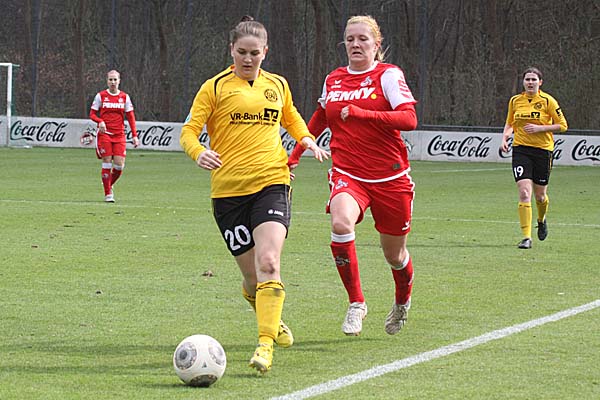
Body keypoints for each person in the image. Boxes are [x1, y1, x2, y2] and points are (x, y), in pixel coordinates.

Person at [180, 16, 329, 374]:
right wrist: (198, 152)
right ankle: (268, 314)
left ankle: (265, 344)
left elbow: (291, 117)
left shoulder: (277, 84)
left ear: (265, 52)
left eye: (255, 53)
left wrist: (306, 138)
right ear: (231, 50)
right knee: (252, 279)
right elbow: (188, 131)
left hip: (272, 182)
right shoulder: (214, 87)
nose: (248, 59)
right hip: (228, 194)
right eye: (242, 52)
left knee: (269, 263)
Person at [288, 15, 418, 336]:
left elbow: (409, 119)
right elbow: (320, 117)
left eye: (362, 39)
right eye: (349, 39)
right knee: (340, 223)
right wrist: (294, 155)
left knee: (395, 255)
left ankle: (402, 301)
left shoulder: (388, 75)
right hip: (348, 172)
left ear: (376, 44)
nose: (355, 44)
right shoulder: (334, 79)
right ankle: (357, 302)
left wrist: (364, 114)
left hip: (390, 178)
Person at [501, 67, 568, 249]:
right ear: (523, 82)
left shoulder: (548, 101)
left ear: (540, 82)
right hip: (521, 150)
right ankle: (526, 237)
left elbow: (563, 125)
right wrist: (505, 137)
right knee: (524, 193)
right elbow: (510, 123)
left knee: (540, 196)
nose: (530, 82)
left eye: (533, 79)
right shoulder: (515, 101)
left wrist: (540, 128)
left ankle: (541, 219)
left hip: (542, 151)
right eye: (527, 79)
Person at [89, 70, 139, 202]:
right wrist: (100, 121)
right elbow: (92, 114)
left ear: (119, 81)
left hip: (119, 135)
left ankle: (108, 183)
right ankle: (108, 194)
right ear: (107, 81)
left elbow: (131, 117)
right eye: (110, 79)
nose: (113, 82)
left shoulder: (124, 97)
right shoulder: (101, 96)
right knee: (107, 161)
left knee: (119, 165)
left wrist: (135, 135)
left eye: (115, 79)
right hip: (105, 134)